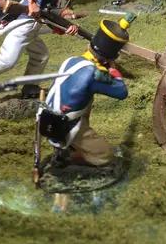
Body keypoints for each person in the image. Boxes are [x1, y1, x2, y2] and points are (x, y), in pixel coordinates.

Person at [37, 16, 131, 167]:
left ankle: (65, 148)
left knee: (86, 98)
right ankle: (70, 157)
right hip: (66, 125)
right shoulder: (94, 74)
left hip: (47, 113)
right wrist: (114, 70)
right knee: (106, 156)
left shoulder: (72, 60)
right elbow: (122, 92)